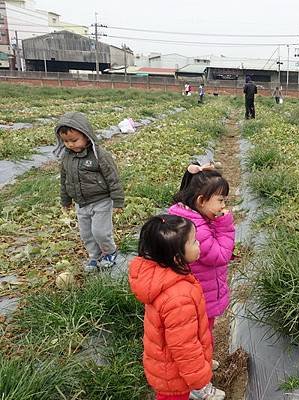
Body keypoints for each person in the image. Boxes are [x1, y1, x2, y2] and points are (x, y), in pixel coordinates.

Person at [128, 214, 225, 400]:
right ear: (177, 255)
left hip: (167, 365)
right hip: (175, 375)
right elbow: (184, 346)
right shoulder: (178, 297)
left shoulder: (165, 276)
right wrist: (199, 380)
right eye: (194, 241)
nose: (199, 244)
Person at [168, 163, 235, 371]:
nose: (224, 206)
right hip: (200, 297)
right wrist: (225, 225)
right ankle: (199, 376)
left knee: (200, 333)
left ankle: (203, 360)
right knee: (198, 336)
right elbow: (220, 255)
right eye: (221, 201)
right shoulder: (196, 227)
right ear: (201, 201)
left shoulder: (191, 217)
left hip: (199, 293)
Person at [54, 112, 124, 273]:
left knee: (100, 231)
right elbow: (65, 180)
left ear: (86, 136)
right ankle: (95, 255)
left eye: (74, 140)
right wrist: (65, 201)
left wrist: (118, 201)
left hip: (101, 200)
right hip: (81, 203)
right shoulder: (66, 158)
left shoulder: (99, 155)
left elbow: (113, 178)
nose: (70, 144)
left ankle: (110, 252)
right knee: (86, 234)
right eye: (65, 141)